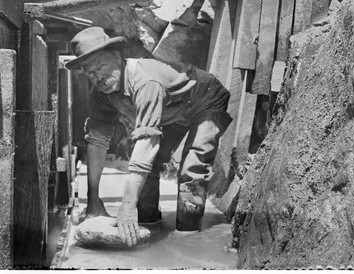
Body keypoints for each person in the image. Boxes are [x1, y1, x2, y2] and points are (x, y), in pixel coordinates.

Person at [65, 26, 232, 247]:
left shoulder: (144, 81)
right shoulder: (99, 97)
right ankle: (146, 225)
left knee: (192, 170)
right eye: (91, 73)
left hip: (205, 98)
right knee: (149, 168)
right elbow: (96, 142)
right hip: (171, 111)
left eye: (101, 66)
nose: (98, 77)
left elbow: (147, 142)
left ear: (117, 57)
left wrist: (127, 203)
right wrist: (94, 200)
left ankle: (188, 237)